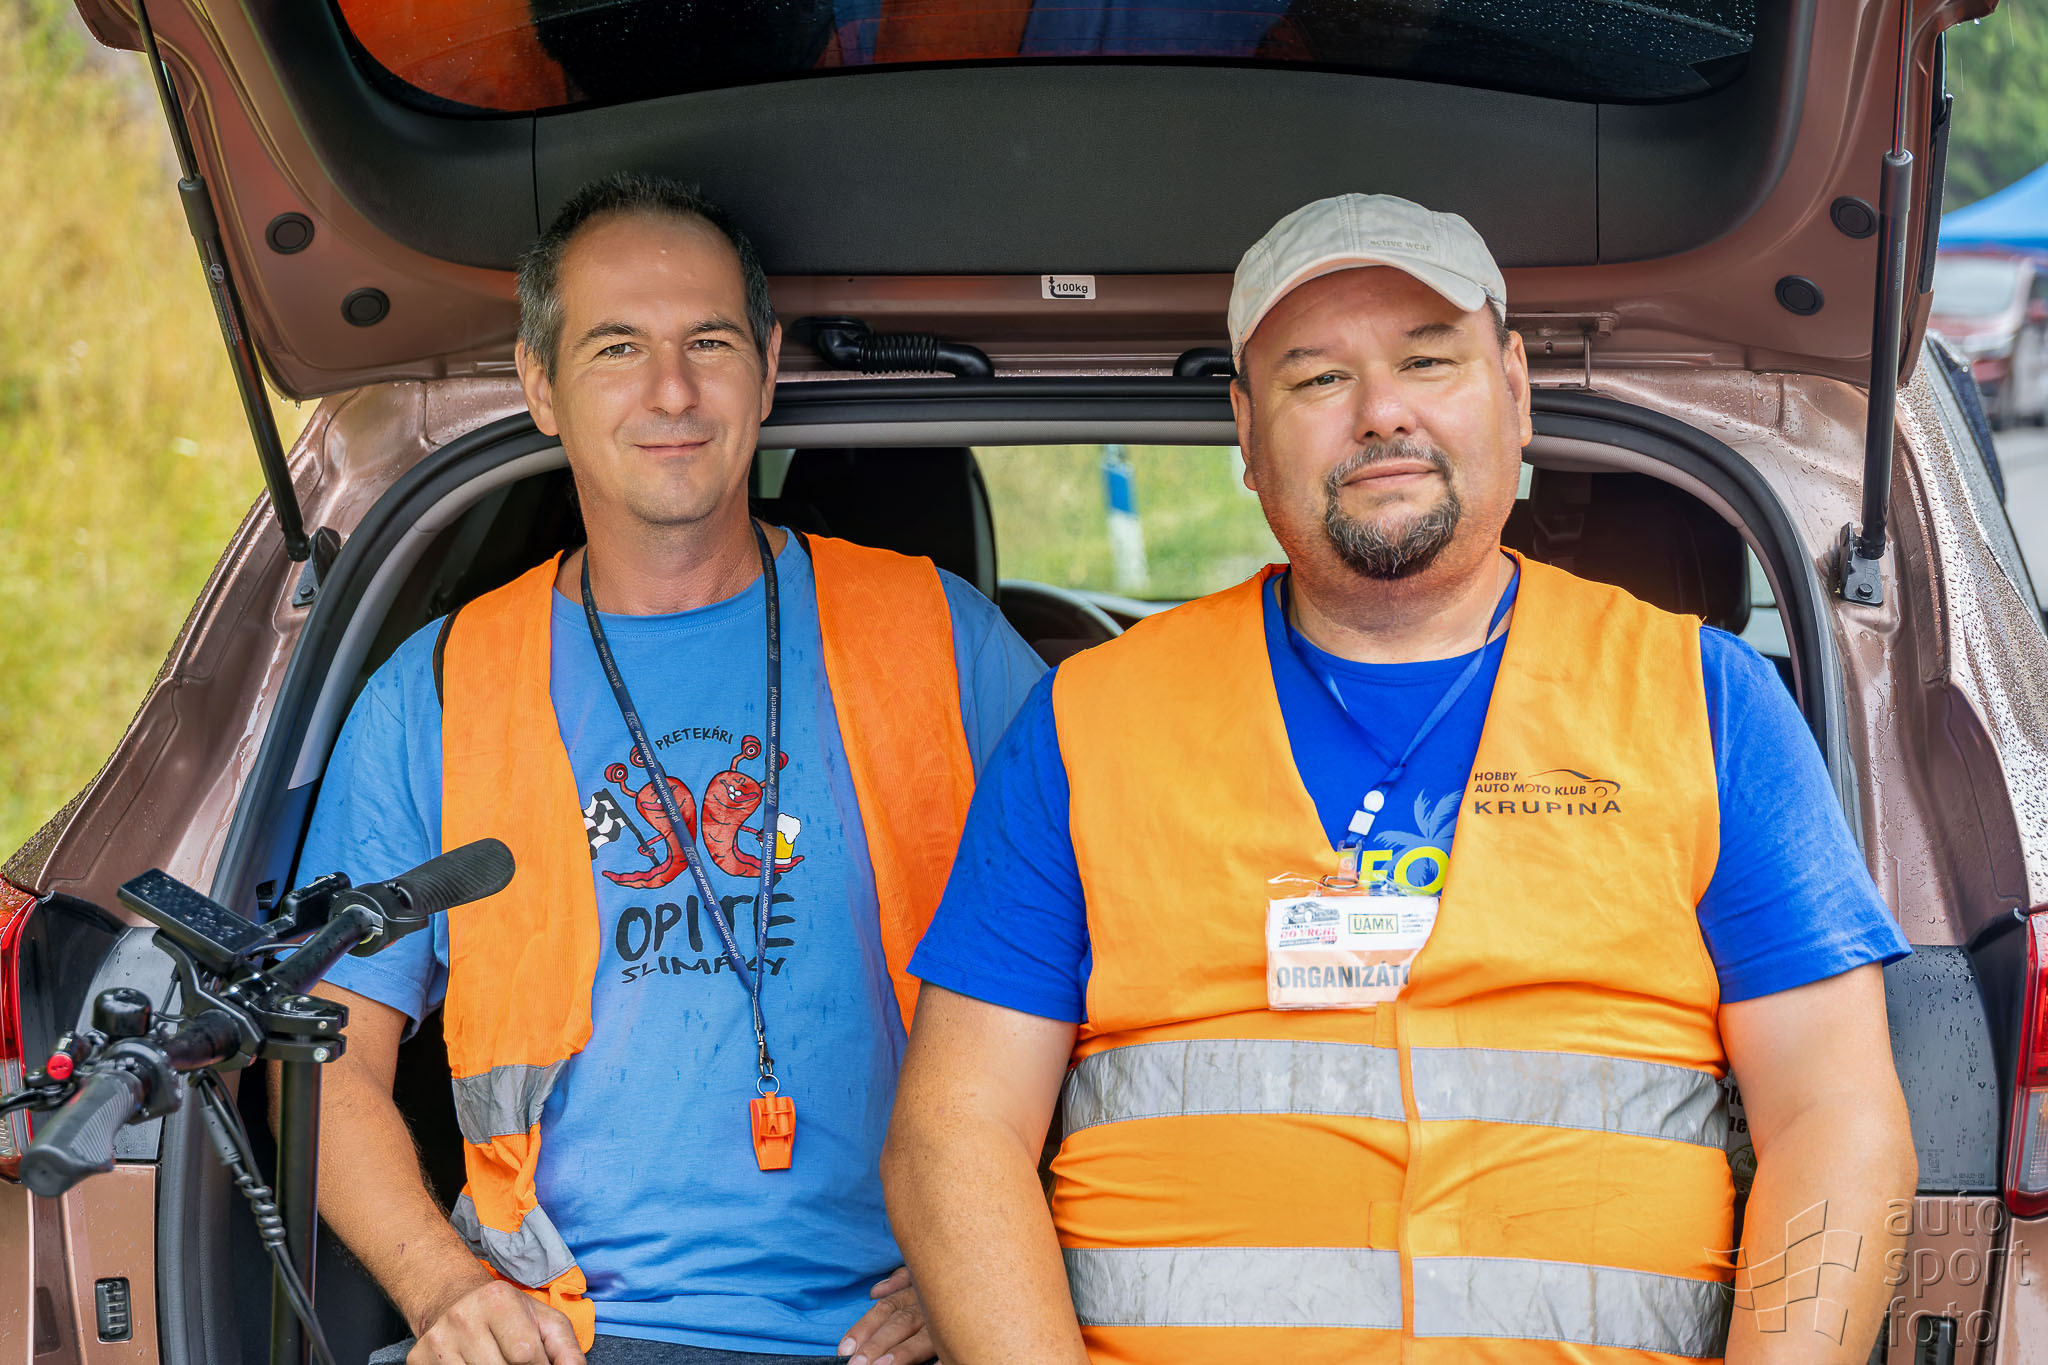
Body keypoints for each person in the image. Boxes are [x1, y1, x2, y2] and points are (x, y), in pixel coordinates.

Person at [882, 192, 1919, 1363]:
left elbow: (1833, 1118)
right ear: (1245, 432)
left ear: (1513, 389)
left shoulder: (1705, 701)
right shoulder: (1086, 722)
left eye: (1427, 360)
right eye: (1318, 378)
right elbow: (953, 1133)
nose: (1381, 411)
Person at [296, 172, 1044, 1365]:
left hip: (905, 1333)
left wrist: (996, 1252)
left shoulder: (942, 637)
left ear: (767, 366)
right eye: (615, 348)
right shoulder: (439, 690)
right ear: (540, 386)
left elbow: (1131, 962)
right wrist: (444, 1294)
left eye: (708, 342)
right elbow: (322, 1057)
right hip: (566, 1334)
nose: (672, 392)